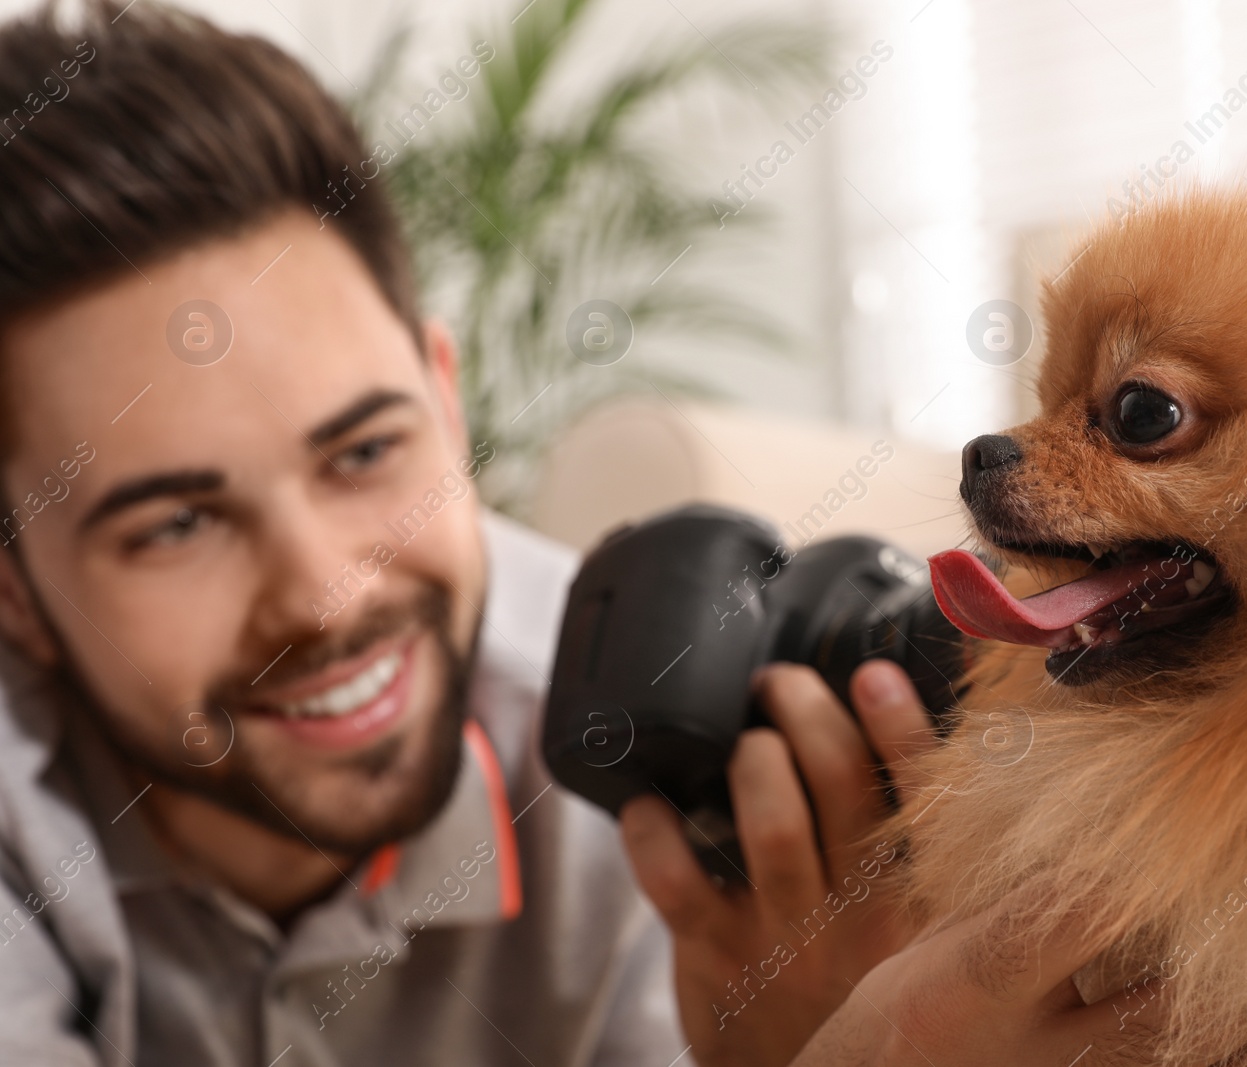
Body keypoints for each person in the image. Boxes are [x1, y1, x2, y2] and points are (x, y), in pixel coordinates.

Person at [0, 2, 929, 1064]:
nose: (327, 596)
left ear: (445, 405)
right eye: (175, 524)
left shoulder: (655, 789)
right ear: (14, 590)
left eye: (362, 454)